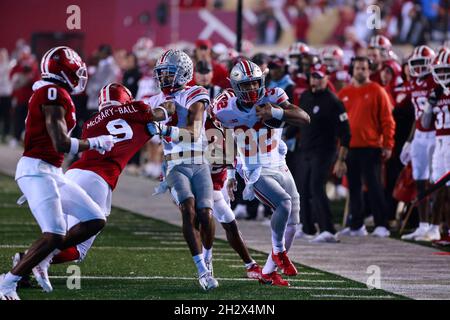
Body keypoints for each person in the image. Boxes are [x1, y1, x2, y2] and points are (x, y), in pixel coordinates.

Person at [12, 83, 158, 291]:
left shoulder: (91, 122)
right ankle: (30, 260)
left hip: (72, 173)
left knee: (58, 232)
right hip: (97, 179)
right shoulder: (139, 111)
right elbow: (159, 119)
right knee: (78, 246)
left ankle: (24, 266)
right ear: (127, 99)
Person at [0, 46, 115, 300]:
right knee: (54, 233)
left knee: (95, 219)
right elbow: (61, 143)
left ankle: (43, 259)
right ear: (65, 70)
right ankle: (7, 283)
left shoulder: (54, 92)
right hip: (37, 171)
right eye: (76, 70)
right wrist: (96, 142)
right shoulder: (53, 92)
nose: (79, 75)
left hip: (52, 171)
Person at [213, 59, 311, 286]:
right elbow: (220, 139)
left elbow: (304, 118)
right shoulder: (224, 107)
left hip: (279, 162)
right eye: (245, 85)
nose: (251, 89)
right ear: (236, 86)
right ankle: (279, 252)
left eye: (254, 83)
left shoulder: (274, 95)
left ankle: (268, 271)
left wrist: (275, 112)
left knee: (293, 223)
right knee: (283, 204)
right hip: (254, 168)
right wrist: (229, 174)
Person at [146, 49, 218, 291]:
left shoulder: (195, 93)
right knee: (188, 211)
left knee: (206, 215)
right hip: (174, 162)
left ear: (184, 73)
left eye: (169, 73)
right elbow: (141, 127)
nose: (164, 79)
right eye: (162, 74)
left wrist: (164, 128)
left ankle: (208, 257)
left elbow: (194, 132)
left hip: (198, 160)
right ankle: (201, 271)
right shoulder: (153, 100)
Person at [338, 56, 396, 238]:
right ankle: (356, 225)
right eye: (358, 68)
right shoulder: (344, 93)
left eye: (364, 68)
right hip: (349, 148)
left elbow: (388, 120)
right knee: (353, 187)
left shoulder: (377, 90)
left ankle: (382, 225)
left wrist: (388, 144)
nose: (361, 71)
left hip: (371, 147)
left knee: (374, 187)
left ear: (369, 71)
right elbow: (337, 123)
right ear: (352, 70)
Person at [296, 63, 351, 243]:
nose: (316, 80)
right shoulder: (305, 96)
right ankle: (308, 226)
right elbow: (298, 122)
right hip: (305, 150)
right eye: (313, 76)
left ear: (327, 79)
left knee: (316, 187)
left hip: (324, 151)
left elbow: (346, 132)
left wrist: (341, 159)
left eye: (320, 77)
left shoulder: (334, 101)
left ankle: (328, 229)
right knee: (302, 189)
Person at [400, 45, 438, 241]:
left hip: (435, 135)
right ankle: (423, 225)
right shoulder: (413, 82)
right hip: (420, 137)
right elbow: (417, 116)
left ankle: (435, 225)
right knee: (420, 179)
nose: (418, 68)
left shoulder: (436, 81)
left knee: (435, 182)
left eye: (422, 64)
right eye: (415, 64)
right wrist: (409, 141)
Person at [419, 49, 450, 242]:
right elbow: (424, 123)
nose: (441, 75)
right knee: (438, 184)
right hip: (439, 141)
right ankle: (435, 227)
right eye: (438, 71)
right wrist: (430, 106)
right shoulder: (436, 92)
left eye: (445, 70)